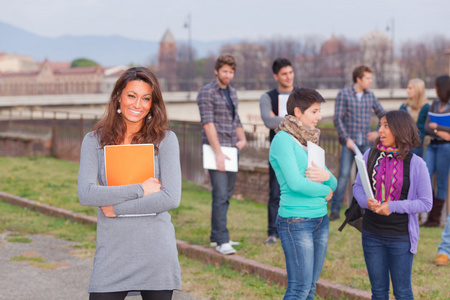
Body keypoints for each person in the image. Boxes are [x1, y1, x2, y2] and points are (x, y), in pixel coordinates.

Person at [78, 67, 181, 300]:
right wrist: (141, 189)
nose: (138, 104)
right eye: (131, 95)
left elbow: (170, 197)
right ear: (118, 97)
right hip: (112, 251)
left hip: (155, 250)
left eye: (146, 98)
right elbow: (86, 193)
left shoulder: (166, 140)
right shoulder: (94, 140)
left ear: (152, 104)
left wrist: (116, 208)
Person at [353, 110, 433, 299]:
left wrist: (392, 206)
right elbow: (357, 186)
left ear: (400, 130)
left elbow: (426, 203)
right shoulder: (370, 155)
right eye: (380, 125)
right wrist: (366, 202)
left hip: (400, 238)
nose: (380, 130)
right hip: (371, 234)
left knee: (402, 292)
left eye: (386, 126)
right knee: (378, 292)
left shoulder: (417, 164)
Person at [269, 87, 337, 299]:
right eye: (314, 111)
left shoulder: (309, 142)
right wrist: (325, 189)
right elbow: (296, 184)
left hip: (320, 220)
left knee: (310, 288)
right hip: (296, 221)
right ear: (298, 112)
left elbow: (333, 181)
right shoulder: (282, 140)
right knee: (299, 288)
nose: (320, 116)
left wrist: (327, 183)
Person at [197, 54, 247, 255]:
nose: (228, 75)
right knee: (219, 194)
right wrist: (218, 153)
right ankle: (222, 241)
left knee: (225, 195)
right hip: (215, 149)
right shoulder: (206, 92)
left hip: (232, 148)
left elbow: (236, 119)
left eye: (231, 72)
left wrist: (242, 139)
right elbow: (208, 124)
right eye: (225, 71)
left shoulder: (232, 92)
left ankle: (215, 235)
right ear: (216, 71)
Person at [330, 65, 385, 221]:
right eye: (367, 78)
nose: (370, 81)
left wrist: (377, 132)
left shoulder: (371, 96)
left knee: (365, 178)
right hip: (350, 143)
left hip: (366, 144)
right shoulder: (344, 94)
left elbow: (383, 115)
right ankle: (334, 210)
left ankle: (363, 211)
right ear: (358, 79)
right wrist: (346, 138)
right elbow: (338, 118)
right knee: (344, 175)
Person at [259, 58, 294, 245]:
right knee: (275, 192)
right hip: (277, 152)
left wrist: (279, 120)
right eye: (284, 74)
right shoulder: (267, 97)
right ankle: (272, 232)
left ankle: (293, 228)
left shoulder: (300, 95)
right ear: (276, 76)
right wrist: (293, 120)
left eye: (290, 72)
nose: (288, 77)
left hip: (299, 150)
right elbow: (267, 120)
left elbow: (309, 121)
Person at [422, 74, 450, 228]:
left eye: (437, 86)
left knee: (441, 181)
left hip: (446, 148)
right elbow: (427, 127)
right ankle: (429, 214)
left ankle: (434, 218)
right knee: (425, 177)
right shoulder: (434, 104)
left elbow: (433, 126)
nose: (435, 89)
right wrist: (441, 132)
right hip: (432, 145)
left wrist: (436, 127)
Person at [400, 78, 430, 157]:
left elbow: (426, 128)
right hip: (402, 145)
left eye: (410, 88)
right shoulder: (404, 106)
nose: (407, 90)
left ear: (418, 90)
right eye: (407, 88)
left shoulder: (426, 107)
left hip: (417, 146)